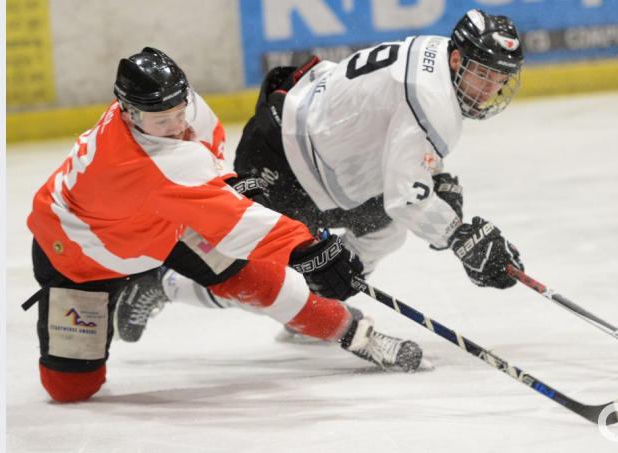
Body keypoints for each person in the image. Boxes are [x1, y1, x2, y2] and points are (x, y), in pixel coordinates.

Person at [24, 47, 424, 403]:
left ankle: (354, 333)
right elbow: (236, 221)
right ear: (128, 113)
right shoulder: (138, 166)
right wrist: (306, 249)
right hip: (81, 260)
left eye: (180, 111)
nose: (178, 124)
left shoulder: (171, 112)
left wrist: (225, 182)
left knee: (260, 281)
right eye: (163, 120)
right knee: (71, 389)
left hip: (163, 223)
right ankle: (137, 284)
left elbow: (206, 154)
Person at [116, 9, 526, 343]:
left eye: (499, 77)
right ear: (457, 60)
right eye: (483, 74)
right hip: (282, 162)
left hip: (315, 150)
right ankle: (165, 283)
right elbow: (406, 197)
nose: (490, 88)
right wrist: (457, 236)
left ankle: (314, 301)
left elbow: (397, 144)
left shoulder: (435, 53)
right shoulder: (435, 101)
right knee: (263, 278)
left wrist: (435, 178)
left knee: (384, 229)